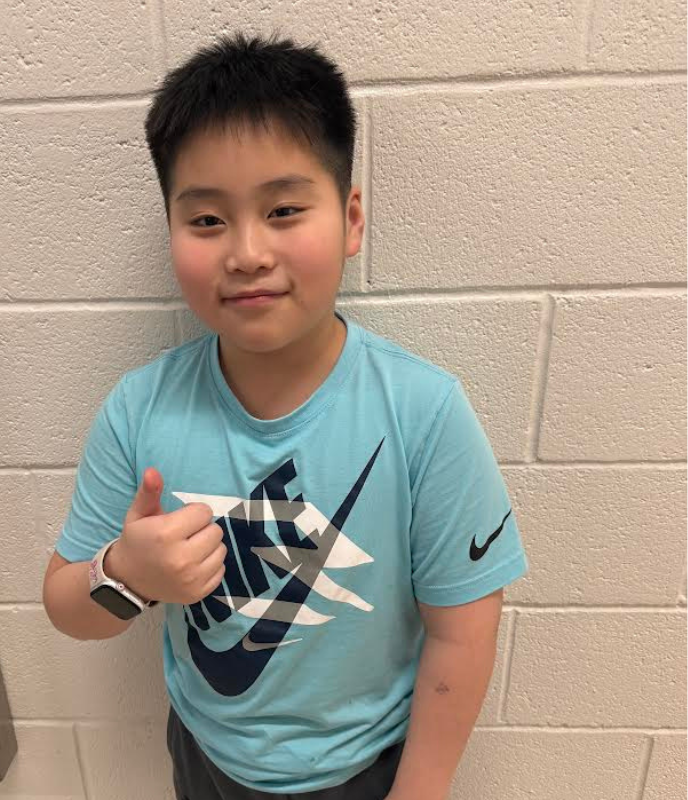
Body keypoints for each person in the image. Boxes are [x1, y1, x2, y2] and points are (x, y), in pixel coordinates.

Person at [42, 31, 529, 800]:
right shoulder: (140, 408)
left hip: (370, 769)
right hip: (206, 757)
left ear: (352, 219)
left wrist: (422, 787)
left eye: (284, 209)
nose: (247, 252)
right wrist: (128, 573)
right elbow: (70, 606)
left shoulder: (422, 410)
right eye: (207, 221)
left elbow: (464, 627)